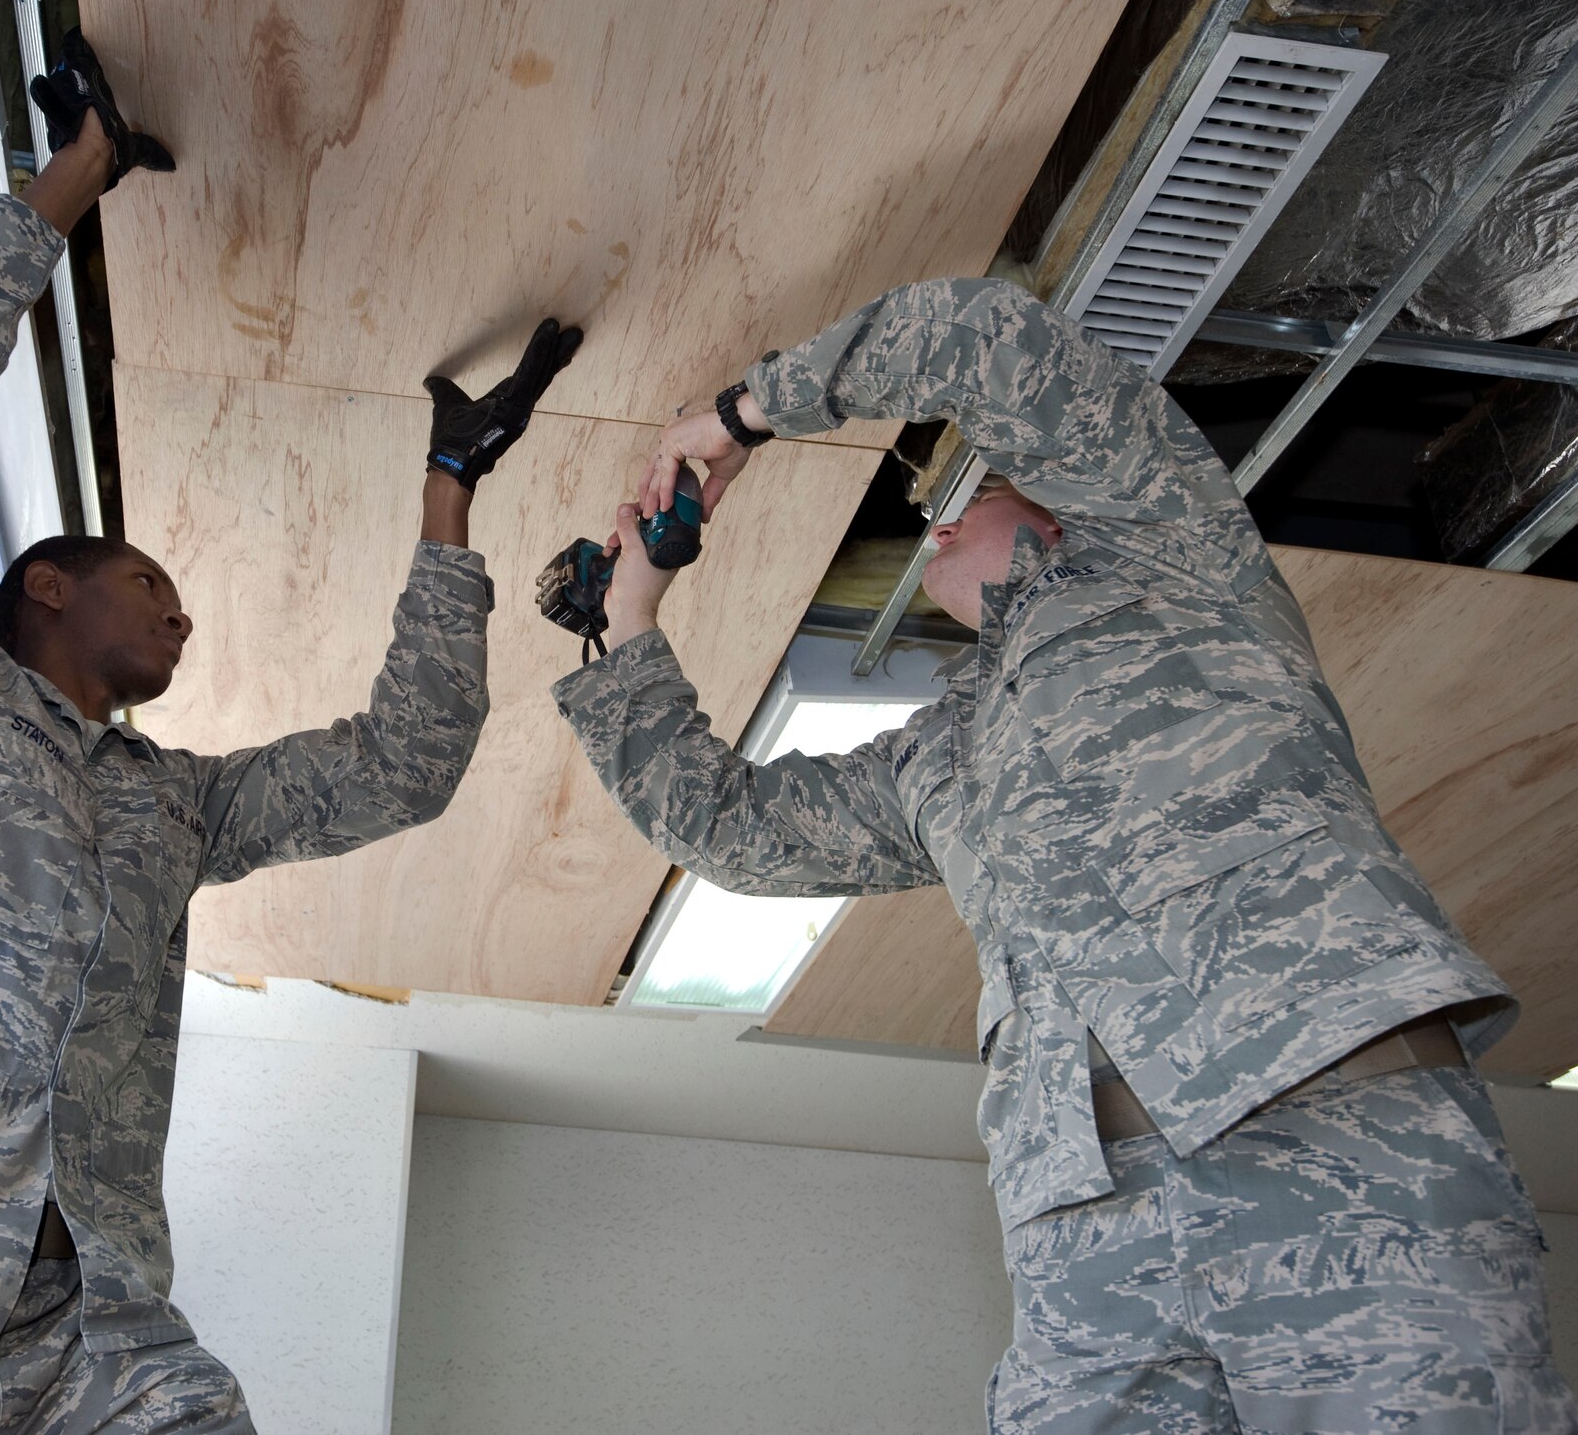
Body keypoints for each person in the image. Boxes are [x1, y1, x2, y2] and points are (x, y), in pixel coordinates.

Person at [0, 32, 578, 1434]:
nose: (183, 621)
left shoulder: (173, 807)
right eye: (157, 586)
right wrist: (72, 178)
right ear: (44, 585)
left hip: (74, 1339)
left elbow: (400, 767)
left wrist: (449, 504)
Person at [554, 277, 1576, 1432]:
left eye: (974, 488)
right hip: (1082, 1218)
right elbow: (729, 829)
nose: (935, 520)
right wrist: (628, 617)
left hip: (1326, 1130)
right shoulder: (939, 755)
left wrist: (742, 415)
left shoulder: (1172, 553)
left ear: (1062, 501)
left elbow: (980, 335)